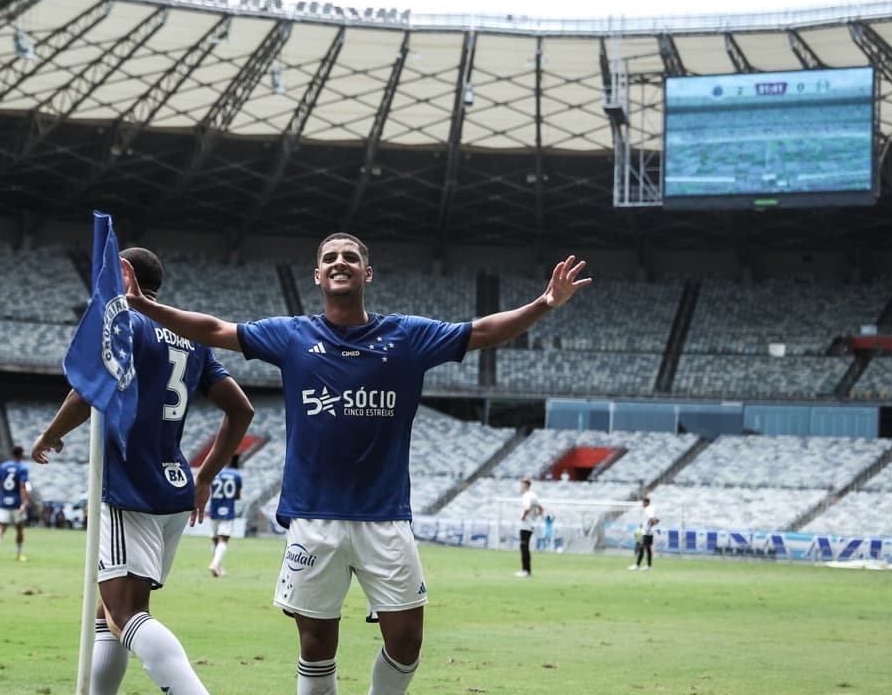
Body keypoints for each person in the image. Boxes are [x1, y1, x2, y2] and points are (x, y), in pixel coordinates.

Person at [121, 233, 590, 695]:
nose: (339, 262)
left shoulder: (407, 336)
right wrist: (146, 307)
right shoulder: (292, 336)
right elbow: (213, 330)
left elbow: (482, 331)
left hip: (384, 518)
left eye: (350, 256)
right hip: (312, 517)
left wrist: (544, 303)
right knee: (316, 643)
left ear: (367, 273)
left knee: (407, 643)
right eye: (330, 258)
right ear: (318, 275)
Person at [32, 246, 255, 695]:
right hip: (174, 489)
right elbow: (241, 409)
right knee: (107, 614)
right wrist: (205, 476)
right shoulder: (190, 337)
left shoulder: (125, 324)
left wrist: (51, 434)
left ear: (125, 273)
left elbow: (84, 393)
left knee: (126, 615)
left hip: (128, 489)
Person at [0, 446, 31, 562]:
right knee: (19, 529)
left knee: (1, 527)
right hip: (17, 503)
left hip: (4, 501)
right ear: (21, 454)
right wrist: (24, 503)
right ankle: (18, 554)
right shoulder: (22, 468)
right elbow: (22, 486)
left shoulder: (3, 466)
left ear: (12, 454)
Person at [207, 454, 242, 577]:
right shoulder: (236, 475)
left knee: (215, 540)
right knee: (223, 540)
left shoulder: (213, 473)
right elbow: (237, 496)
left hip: (214, 509)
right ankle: (215, 565)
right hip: (227, 510)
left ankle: (217, 568)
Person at [517, 478, 543, 578]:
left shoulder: (526, 496)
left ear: (524, 486)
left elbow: (527, 508)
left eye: (521, 485)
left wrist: (523, 516)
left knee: (524, 547)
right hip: (531, 524)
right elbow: (541, 508)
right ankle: (527, 570)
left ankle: (525, 570)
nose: (520, 487)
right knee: (525, 547)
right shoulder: (534, 495)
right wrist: (536, 516)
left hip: (525, 525)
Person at [629, 495, 660, 571]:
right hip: (649, 532)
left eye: (643, 503)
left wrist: (649, 526)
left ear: (646, 502)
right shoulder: (651, 509)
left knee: (641, 548)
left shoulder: (648, 509)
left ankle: (637, 565)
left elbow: (652, 519)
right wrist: (645, 525)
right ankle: (649, 566)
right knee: (648, 549)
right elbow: (655, 519)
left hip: (647, 533)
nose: (642, 505)